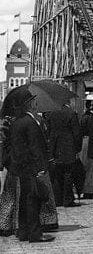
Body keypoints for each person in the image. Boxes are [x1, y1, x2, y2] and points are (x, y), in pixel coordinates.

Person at [7, 96, 54, 243]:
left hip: (21, 165)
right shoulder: (31, 123)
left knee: (25, 198)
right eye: (34, 101)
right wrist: (41, 167)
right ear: (30, 104)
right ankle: (35, 232)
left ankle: (23, 230)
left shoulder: (17, 122)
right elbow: (35, 147)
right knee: (33, 199)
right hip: (31, 166)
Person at [46, 100, 82, 207]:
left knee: (57, 174)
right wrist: (77, 148)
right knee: (68, 173)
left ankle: (58, 198)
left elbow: (48, 131)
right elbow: (76, 132)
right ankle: (68, 198)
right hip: (68, 146)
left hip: (56, 146)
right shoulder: (71, 113)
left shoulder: (51, 113)